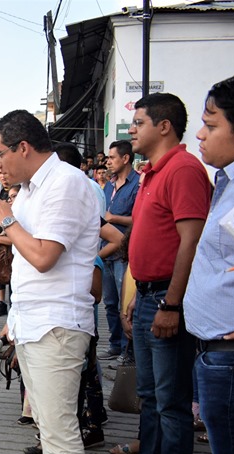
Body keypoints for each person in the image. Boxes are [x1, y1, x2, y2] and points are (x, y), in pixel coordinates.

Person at [0, 109, 100, 454]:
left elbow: (45, 256)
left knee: (60, 431)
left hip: (58, 323)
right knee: (46, 429)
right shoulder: (32, 188)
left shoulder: (67, 184)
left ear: (23, 148)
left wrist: (6, 220)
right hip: (32, 320)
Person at [101, 93, 211, 454]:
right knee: (149, 396)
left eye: (140, 122)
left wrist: (172, 303)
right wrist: (136, 294)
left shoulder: (183, 170)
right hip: (147, 296)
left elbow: (191, 242)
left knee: (171, 402)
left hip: (167, 299)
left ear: (164, 126)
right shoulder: (151, 173)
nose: (133, 130)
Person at [164, 74, 234, 454]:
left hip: (231, 355)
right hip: (214, 350)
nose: (201, 137)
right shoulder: (226, 184)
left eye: (211, 125)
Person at [100, 139, 140, 362]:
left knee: (126, 305)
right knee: (111, 303)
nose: (108, 162)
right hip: (106, 250)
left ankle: (127, 351)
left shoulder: (137, 184)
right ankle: (115, 344)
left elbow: (139, 218)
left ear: (125, 158)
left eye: (112, 158)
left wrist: (114, 218)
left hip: (124, 252)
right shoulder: (108, 185)